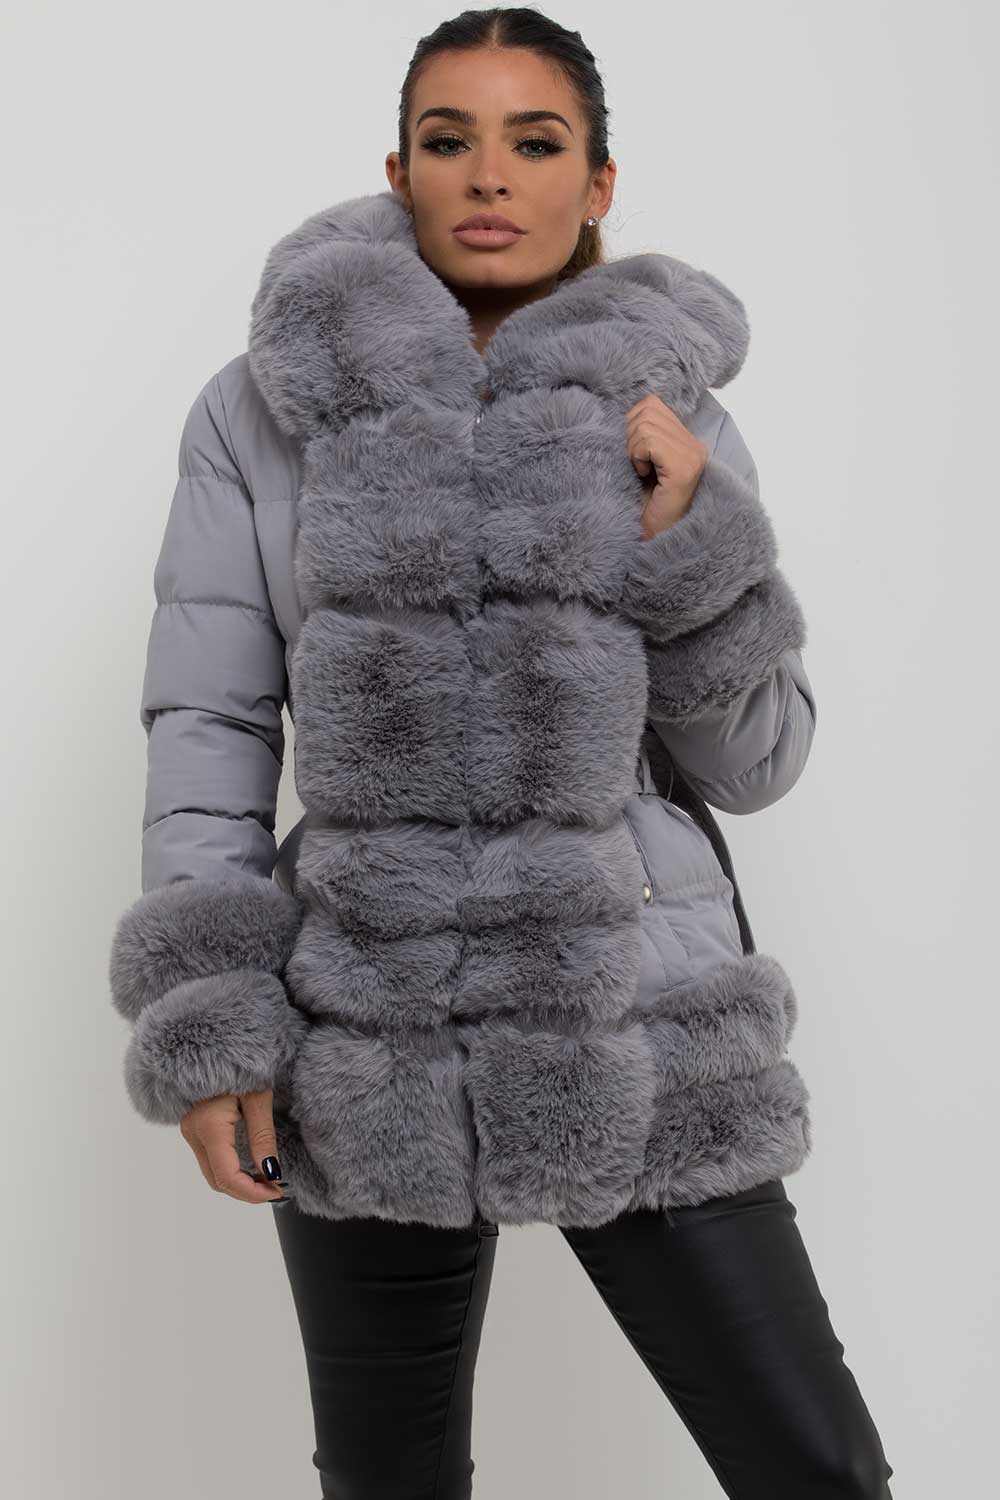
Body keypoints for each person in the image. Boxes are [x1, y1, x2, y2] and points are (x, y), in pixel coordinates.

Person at [108, 8, 896, 1497]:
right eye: (447, 139)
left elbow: (759, 764)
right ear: (396, 169)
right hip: (366, 1020)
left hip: (636, 1014)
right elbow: (211, 726)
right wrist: (215, 1021)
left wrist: (692, 547)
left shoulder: (675, 416)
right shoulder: (265, 412)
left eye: (535, 143)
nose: (488, 176)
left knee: (817, 1469)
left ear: (598, 183)